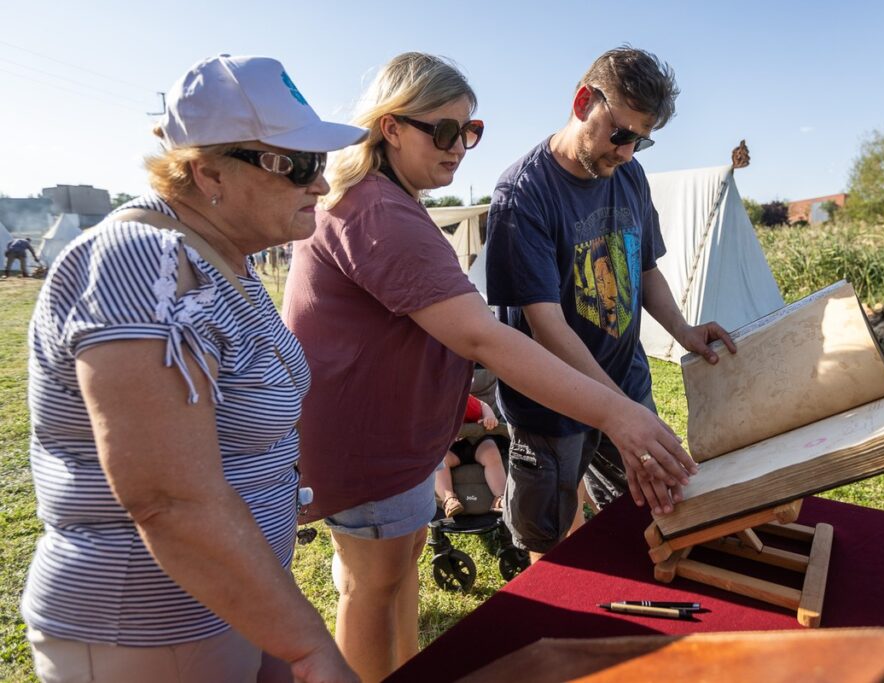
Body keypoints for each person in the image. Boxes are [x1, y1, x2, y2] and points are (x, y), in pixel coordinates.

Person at [284, 51, 696, 683]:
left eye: (469, 131)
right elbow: (486, 337)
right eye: (444, 131)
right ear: (391, 127)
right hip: (370, 443)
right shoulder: (380, 212)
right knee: (374, 588)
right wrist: (618, 413)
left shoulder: (386, 200)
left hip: (390, 442)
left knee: (391, 579)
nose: (459, 147)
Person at [20, 54, 365, 683]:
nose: (320, 184)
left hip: (224, 604)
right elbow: (169, 500)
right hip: (150, 627)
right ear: (208, 172)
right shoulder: (144, 261)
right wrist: (309, 646)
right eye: (299, 164)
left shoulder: (222, 257)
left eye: (321, 162)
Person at [485, 46, 737, 562]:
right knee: (551, 542)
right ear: (583, 102)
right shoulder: (522, 194)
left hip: (626, 383)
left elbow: (645, 270)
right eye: (621, 134)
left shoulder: (628, 175)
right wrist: (616, 412)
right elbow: (547, 326)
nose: (627, 152)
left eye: (642, 141)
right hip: (551, 407)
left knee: (653, 511)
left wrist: (683, 331)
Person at [434, 393, 506, 517]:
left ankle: (500, 497)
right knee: (438, 460)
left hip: (477, 440)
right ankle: (449, 499)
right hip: (451, 448)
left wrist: (489, 416)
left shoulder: (462, 400)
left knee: (491, 452)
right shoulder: (428, 409)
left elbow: (482, 405)